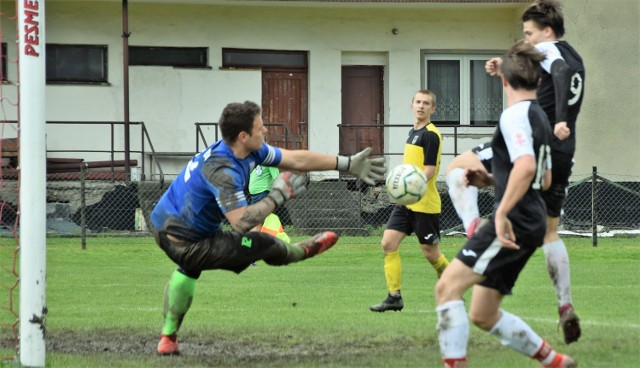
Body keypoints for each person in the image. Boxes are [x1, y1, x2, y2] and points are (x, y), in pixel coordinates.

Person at [151, 100, 386, 355]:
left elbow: (295, 159)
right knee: (260, 242)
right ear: (243, 136)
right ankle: (300, 251)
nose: (265, 131)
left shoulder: (248, 151)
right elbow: (241, 222)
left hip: (169, 222)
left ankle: (168, 339)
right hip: (182, 239)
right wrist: (277, 196)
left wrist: (347, 163)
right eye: (260, 127)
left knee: (189, 270)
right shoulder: (223, 170)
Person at [448, 0, 585, 344]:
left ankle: (474, 232)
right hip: (561, 151)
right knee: (551, 231)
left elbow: (558, 72)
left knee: (456, 169)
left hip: (540, 135)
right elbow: (549, 71)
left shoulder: (552, 51)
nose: (527, 40)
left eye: (528, 34)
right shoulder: (576, 56)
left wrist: (562, 119)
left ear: (547, 31)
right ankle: (564, 304)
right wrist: (504, 65)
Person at [369, 90, 449, 312]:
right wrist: (402, 189)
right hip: (406, 203)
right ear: (411, 105)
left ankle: (455, 287)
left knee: (431, 254)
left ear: (433, 109)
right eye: (418, 102)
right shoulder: (412, 132)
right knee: (388, 243)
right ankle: (394, 297)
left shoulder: (431, 135)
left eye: (426, 103)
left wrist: (408, 185)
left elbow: (430, 170)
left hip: (425, 204)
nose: (421, 106)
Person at [249, 164, 290, 244]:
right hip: (254, 196)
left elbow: (277, 178)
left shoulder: (270, 164)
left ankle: (250, 245)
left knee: (257, 222)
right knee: (259, 222)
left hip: (263, 194)